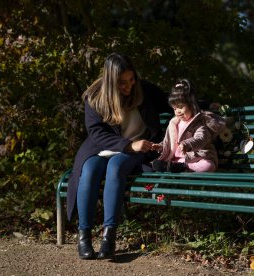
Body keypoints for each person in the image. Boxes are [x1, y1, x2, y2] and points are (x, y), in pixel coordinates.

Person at [66, 53, 165, 261]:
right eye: (122, 83)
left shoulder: (144, 90)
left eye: (131, 80)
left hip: (138, 148)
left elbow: (172, 102)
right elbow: (97, 133)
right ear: (111, 82)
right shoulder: (95, 97)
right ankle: (83, 237)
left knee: (116, 166)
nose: (128, 86)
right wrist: (126, 144)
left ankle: (108, 237)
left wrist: (204, 105)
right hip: (102, 147)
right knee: (90, 169)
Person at [151, 79, 226, 172]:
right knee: (159, 163)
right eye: (175, 108)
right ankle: (175, 166)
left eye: (181, 107)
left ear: (191, 105)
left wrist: (187, 144)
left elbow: (202, 138)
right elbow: (170, 142)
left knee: (208, 166)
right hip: (178, 159)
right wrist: (161, 146)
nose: (177, 111)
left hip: (196, 157)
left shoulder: (199, 122)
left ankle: (181, 166)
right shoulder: (174, 123)